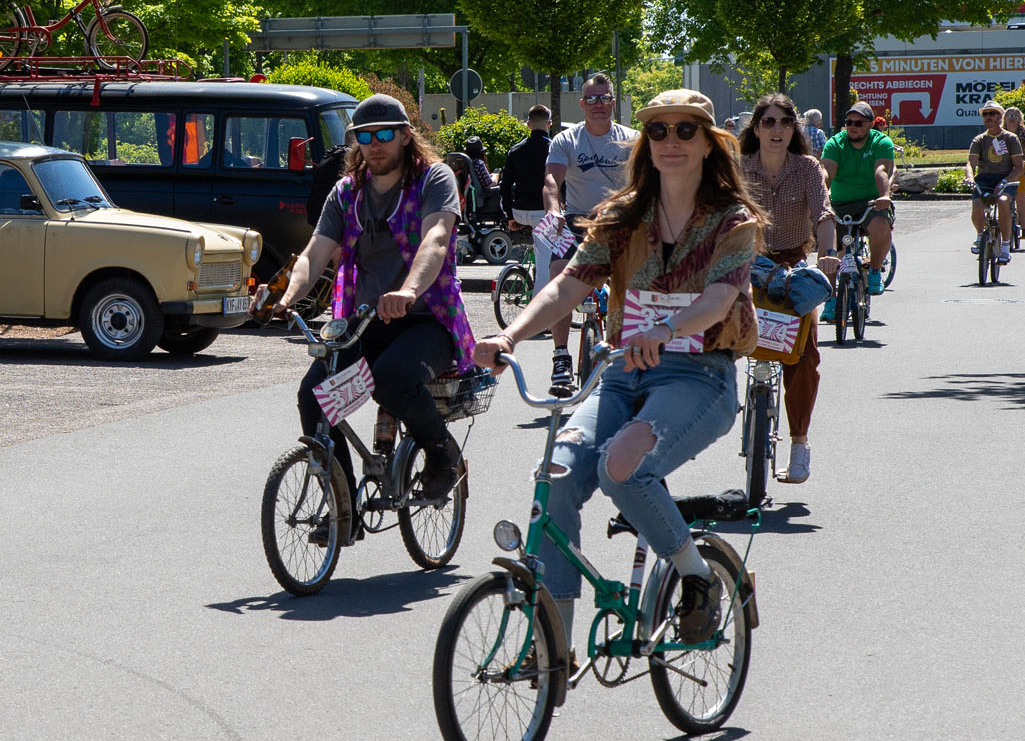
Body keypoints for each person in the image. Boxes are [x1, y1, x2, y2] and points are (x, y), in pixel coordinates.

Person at [474, 88, 765, 648]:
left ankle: (696, 578)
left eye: (686, 130)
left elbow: (718, 301)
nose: (671, 141)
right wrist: (508, 333)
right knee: (554, 474)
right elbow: (567, 285)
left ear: (708, 143)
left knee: (623, 466)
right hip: (622, 372)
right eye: (658, 130)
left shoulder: (733, 221)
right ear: (645, 143)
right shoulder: (621, 217)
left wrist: (664, 330)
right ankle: (550, 644)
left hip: (699, 375)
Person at [264, 92, 474, 506]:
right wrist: (287, 297)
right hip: (365, 323)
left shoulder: (434, 180)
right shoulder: (347, 193)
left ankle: (442, 454)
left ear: (405, 136)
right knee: (314, 395)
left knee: (392, 380)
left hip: (426, 320)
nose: (374, 143)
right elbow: (315, 252)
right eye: (364, 136)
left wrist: (409, 290)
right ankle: (342, 506)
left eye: (384, 134)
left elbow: (435, 238)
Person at [739, 93, 837, 483]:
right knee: (712, 337)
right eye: (768, 122)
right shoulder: (740, 167)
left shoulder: (808, 168)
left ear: (793, 128)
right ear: (757, 128)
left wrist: (828, 253)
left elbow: (823, 214)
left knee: (804, 355)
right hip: (746, 265)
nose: (776, 129)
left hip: (794, 267)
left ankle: (799, 444)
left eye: (784, 122)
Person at [542, 72, 637, 394]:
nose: (599, 104)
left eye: (605, 98)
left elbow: (646, 182)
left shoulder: (632, 139)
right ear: (582, 104)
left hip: (619, 222)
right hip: (577, 221)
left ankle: (632, 352)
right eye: (592, 99)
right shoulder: (566, 140)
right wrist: (553, 209)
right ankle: (560, 357)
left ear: (613, 102)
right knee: (559, 275)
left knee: (637, 281)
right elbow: (552, 182)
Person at [821, 100, 896, 294]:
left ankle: (874, 270)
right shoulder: (835, 143)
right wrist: (819, 198)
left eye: (859, 123)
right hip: (839, 203)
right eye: (849, 122)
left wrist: (884, 196)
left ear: (870, 124)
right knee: (827, 242)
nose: (853, 127)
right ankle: (830, 297)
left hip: (871, 203)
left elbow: (881, 171)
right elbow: (827, 172)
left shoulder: (881, 142)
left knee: (880, 225)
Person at [501, 104, 554, 289]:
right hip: (545, 213)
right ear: (549, 124)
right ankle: (541, 301)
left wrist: (509, 215)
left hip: (520, 212)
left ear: (528, 125)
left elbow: (505, 186)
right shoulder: (554, 149)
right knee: (547, 262)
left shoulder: (516, 150)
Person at [964, 100, 1024, 261]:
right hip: (984, 179)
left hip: (1006, 179)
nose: (988, 117)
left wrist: (1005, 181)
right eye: (985, 114)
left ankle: (1005, 246)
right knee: (977, 204)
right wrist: (970, 178)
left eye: (992, 113)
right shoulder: (979, 140)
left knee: (1004, 202)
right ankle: (980, 236)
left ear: (1000, 117)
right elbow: (971, 163)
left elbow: (1019, 167)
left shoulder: (1010, 138)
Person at [1003, 105, 1025, 239]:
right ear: (1004, 118)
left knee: (1021, 198)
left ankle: (1024, 228)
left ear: (1019, 119)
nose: (1012, 119)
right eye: (1009, 116)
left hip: (1022, 166)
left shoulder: (1024, 131)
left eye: (1015, 116)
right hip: (1004, 167)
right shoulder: (1000, 132)